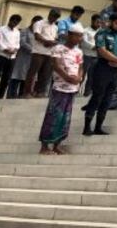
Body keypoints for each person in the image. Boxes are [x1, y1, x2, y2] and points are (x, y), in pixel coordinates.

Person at [37, 22, 84, 154]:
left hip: (72, 89)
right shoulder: (58, 48)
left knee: (65, 117)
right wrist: (67, 77)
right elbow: (56, 66)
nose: (79, 39)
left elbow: (80, 67)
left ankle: (57, 144)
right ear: (69, 35)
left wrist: (79, 77)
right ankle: (45, 146)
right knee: (53, 115)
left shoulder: (79, 51)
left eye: (81, 36)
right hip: (59, 88)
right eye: (77, 36)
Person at [83, 13, 117, 135]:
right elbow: (102, 51)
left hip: (115, 70)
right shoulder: (102, 33)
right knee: (97, 96)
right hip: (102, 68)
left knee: (107, 99)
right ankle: (87, 126)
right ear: (110, 22)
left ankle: (98, 126)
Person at [25, 8, 60, 97]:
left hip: (49, 52)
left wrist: (54, 42)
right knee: (33, 72)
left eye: (56, 17)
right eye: (53, 16)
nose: (54, 18)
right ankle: (27, 92)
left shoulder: (55, 27)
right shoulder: (39, 23)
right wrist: (46, 42)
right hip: (38, 52)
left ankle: (38, 92)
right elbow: (37, 36)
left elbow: (55, 38)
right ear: (49, 14)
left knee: (45, 74)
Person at [9, 16, 41, 98]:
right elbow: (22, 43)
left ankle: (21, 96)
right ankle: (11, 96)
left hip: (32, 60)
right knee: (16, 77)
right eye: (35, 23)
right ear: (32, 21)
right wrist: (34, 50)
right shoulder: (24, 31)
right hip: (22, 59)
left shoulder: (38, 33)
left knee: (26, 78)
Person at [0, 15, 22, 98]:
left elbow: (18, 44)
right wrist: (6, 50)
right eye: (13, 22)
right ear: (10, 20)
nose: (14, 24)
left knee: (6, 77)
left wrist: (15, 50)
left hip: (12, 57)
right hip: (1, 55)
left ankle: (0, 95)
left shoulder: (17, 32)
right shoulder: (1, 29)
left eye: (17, 23)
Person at [78, 14, 100, 96]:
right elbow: (84, 42)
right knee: (82, 74)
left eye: (100, 22)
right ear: (92, 21)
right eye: (97, 22)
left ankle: (87, 92)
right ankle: (76, 91)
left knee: (92, 76)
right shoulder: (85, 30)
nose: (99, 24)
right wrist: (94, 47)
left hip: (96, 56)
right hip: (86, 55)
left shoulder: (100, 32)